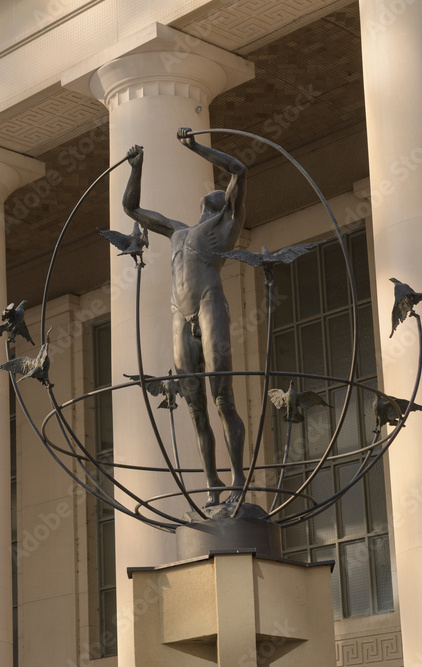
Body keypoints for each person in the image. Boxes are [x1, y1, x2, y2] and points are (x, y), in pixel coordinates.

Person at [122, 129, 247, 506]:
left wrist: (195, 147)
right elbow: (131, 209)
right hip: (180, 312)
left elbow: (239, 169)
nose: (211, 194)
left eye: (221, 193)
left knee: (222, 398)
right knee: (194, 405)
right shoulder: (178, 230)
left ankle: (238, 477)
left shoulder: (226, 223)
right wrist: (136, 168)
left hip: (210, 305)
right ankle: (212, 483)